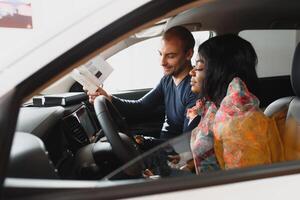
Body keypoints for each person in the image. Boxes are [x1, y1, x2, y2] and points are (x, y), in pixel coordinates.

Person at [87, 26, 200, 141]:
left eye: (171, 56)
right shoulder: (167, 80)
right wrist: (108, 98)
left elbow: (187, 142)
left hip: (175, 154)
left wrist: (144, 142)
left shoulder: (194, 89)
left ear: (188, 54)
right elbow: (141, 107)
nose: (162, 62)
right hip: (163, 144)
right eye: (160, 54)